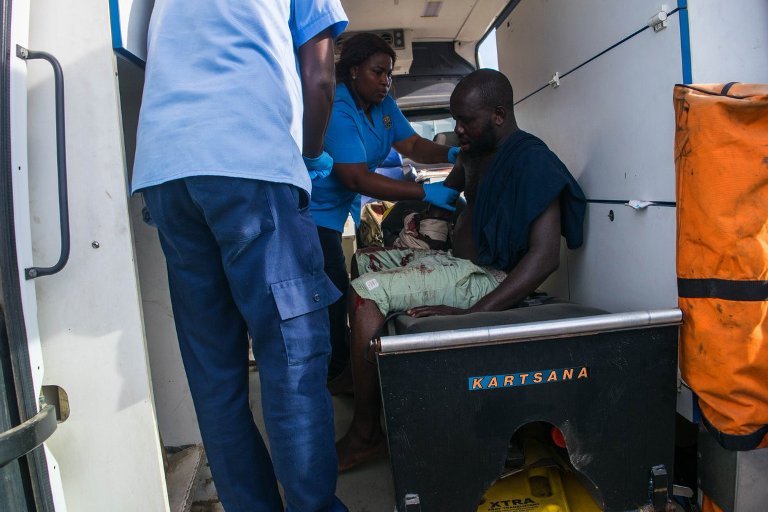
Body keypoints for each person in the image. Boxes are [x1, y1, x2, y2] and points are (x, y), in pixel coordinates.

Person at [131, 2, 348, 511]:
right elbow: (319, 77)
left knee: (215, 372)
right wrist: (311, 155)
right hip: (249, 160)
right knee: (291, 356)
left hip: (166, 172)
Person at [335, 69, 587, 471]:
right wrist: (412, 236)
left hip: (486, 277)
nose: (457, 130)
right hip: (453, 263)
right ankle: (367, 380)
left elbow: (544, 258)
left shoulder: (531, 161)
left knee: (367, 293)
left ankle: (367, 435)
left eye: (466, 121)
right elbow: (445, 201)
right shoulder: (473, 153)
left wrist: (473, 313)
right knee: (364, 258)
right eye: (455, 120)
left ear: (499, 115)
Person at [311, 32, 461, 384]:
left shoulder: (383, 106)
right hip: (310, 213)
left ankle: (344, 371)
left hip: (336, 214)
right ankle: (338, 377)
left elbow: (411, 143)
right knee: (330, 297)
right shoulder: (339, 106)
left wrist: (451, 153)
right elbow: (356, 179)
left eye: (389, 74)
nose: (385, 81)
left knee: (338, 287)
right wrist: (424, 193)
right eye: (378, 72)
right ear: (353, 70)